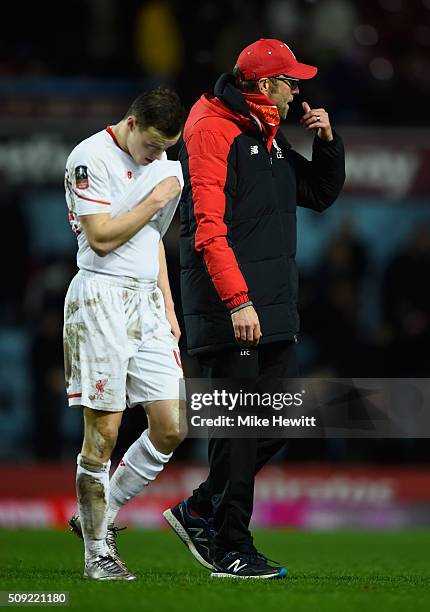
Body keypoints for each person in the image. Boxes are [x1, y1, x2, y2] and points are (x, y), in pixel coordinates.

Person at [163, 39, 346, 579]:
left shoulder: (266, 134)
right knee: (238, 431)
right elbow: (207, 232)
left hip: (270, 307)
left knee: (282, 421)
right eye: (292, 81)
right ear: (264, 87)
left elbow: (317, 193)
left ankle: (201, 507)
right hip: (231, 308)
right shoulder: (211, 129)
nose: (299, 90)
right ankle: (229, 546)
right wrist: (238, 301)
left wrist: (328, 143)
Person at [63, 88, 186, 580]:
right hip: (100, 298)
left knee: (172, 423)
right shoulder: (89, 157)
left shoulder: (166, 167)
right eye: (153, 145)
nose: (159, 157)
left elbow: (151, 238)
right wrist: (156, 196)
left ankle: (101, 514)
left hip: (148, 303)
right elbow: (101, 236)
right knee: (104, 435)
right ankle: (97, 555)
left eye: (166, 149)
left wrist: (169, 302)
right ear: (131, 124)